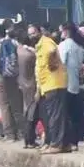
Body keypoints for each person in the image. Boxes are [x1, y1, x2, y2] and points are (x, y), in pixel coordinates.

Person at [30, 23, 69, 154]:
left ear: (40, 32)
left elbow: (52, 51)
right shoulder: (39, 46)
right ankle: (64, 144)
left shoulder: (46, 43)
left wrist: (52, 61)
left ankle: (56, 144)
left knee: (55, 116)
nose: (32, 36)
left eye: (34, 33)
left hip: (54, 84)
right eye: (30, 34)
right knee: (59, 115)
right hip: (49, 85)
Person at [58, 23, 84, 151]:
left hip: (64, 84)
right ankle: (75, 141)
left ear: (66, 32)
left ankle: (66, 142)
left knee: (65, 115)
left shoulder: (63, 46)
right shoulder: (79, 47)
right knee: (75, 114)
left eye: (61, 31)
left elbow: (61, 63)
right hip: (76, 84)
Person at [0, 26, 23, 143]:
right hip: (15, 77)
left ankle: (9, 135)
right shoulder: (18, 45)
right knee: (16, 106)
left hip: (1, 77)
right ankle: (21, 132)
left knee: (4, 106)